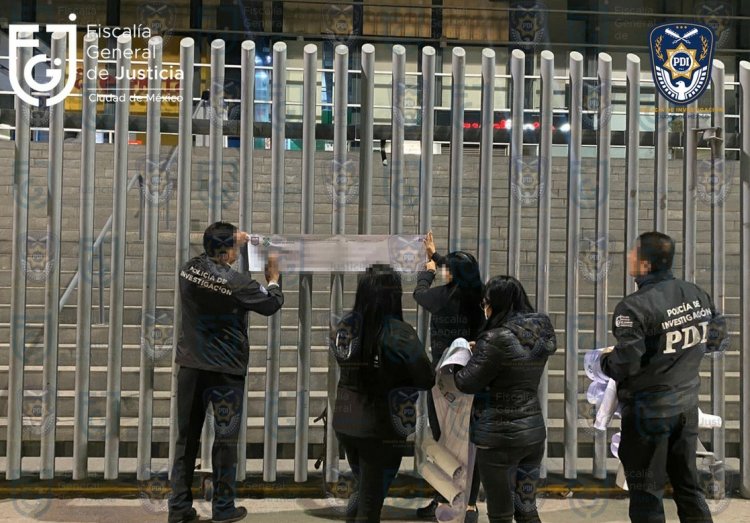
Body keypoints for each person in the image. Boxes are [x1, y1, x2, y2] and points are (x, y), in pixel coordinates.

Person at [599, 232, 729, 523]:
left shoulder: (634, 307)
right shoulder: (697, 294)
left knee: (647, 497)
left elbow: (625, 364)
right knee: (688, 488)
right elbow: (717, 340)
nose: (628, 257)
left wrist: (602, 360)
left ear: (644, 265)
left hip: (648, 415)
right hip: (685, 409)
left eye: (633, 253)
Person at [169, 221, 284, 523]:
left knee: (186, 440)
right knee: (225, 441)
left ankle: (178, 509)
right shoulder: (238, 285)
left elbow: (213, 256)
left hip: (191, 368)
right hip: (225, 373)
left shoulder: (188, 270)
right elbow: (272, 304)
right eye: (234, 246)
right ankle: (223, 508)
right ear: (227, 251)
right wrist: (272, 278)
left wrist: (233, 240)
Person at [331, 264, 435, 523]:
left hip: (346, 420)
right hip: (380, 427)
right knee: (370, 503)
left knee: (364, 489)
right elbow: (426, 378)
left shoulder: (345, 325)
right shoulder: (398, 334)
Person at [454, 275, 557, 523]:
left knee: (500, 514)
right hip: (532, 434)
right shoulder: (541, 331)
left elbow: (466, 382)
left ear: (496, 304)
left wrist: (465, 355)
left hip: (498, 439)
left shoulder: (495, 339)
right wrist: (483, 350)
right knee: (527, 509)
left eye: (485, 303)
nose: (484, 308)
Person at [413, 231, 484, 522]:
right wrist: (436, 256)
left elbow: (419, 295)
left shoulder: (442, 296)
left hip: (444, 380)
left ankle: (445, 497)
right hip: (474, 376)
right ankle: (469, 505)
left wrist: (427, 271)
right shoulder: (479, 294)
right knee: (471, 440)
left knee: (443, 440)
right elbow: (462, 275)